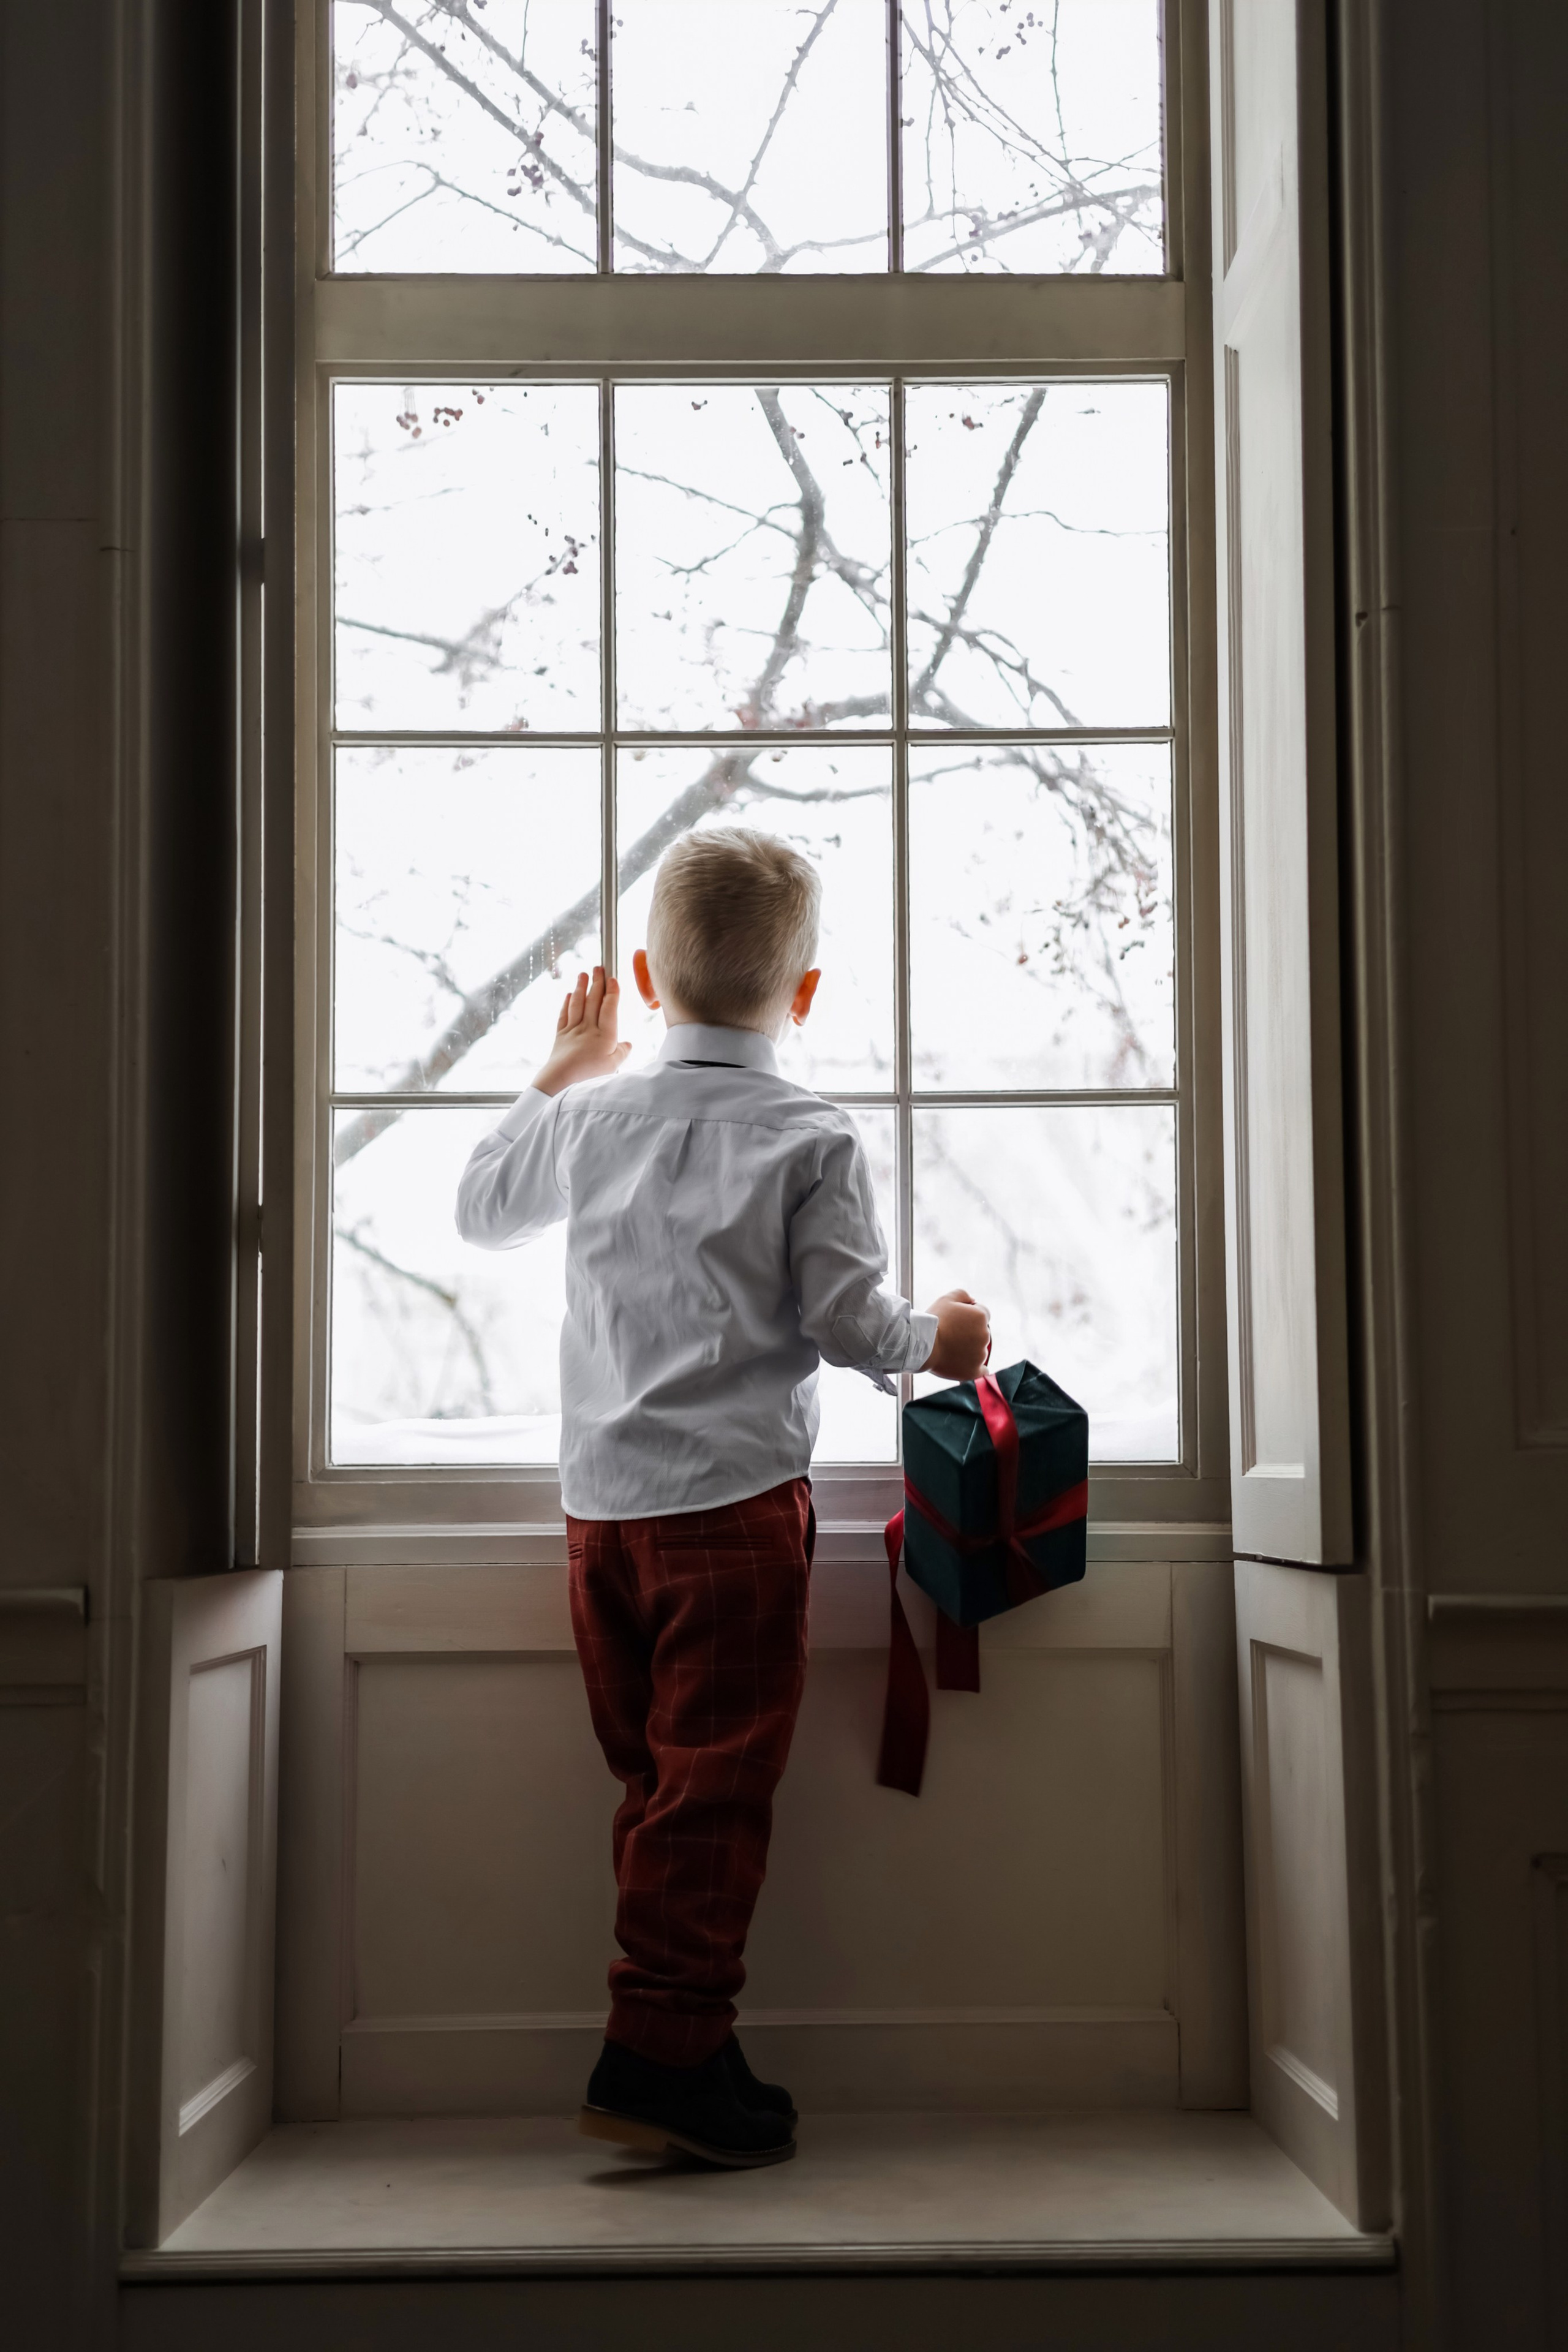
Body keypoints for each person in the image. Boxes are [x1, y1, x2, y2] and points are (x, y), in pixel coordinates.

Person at [455, 827, 990, 2167]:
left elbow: (479, 1208)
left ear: (645, 979)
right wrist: (942, 1340)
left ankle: (686, 2037)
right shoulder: (809, 1131)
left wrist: (562, 1069)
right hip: (732, 1516)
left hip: (601, 1519)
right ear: (802, 994)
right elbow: (847, 1323)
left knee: (660, 1788)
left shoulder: (590, 1119)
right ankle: (657, 2055)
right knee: (712, 1795)